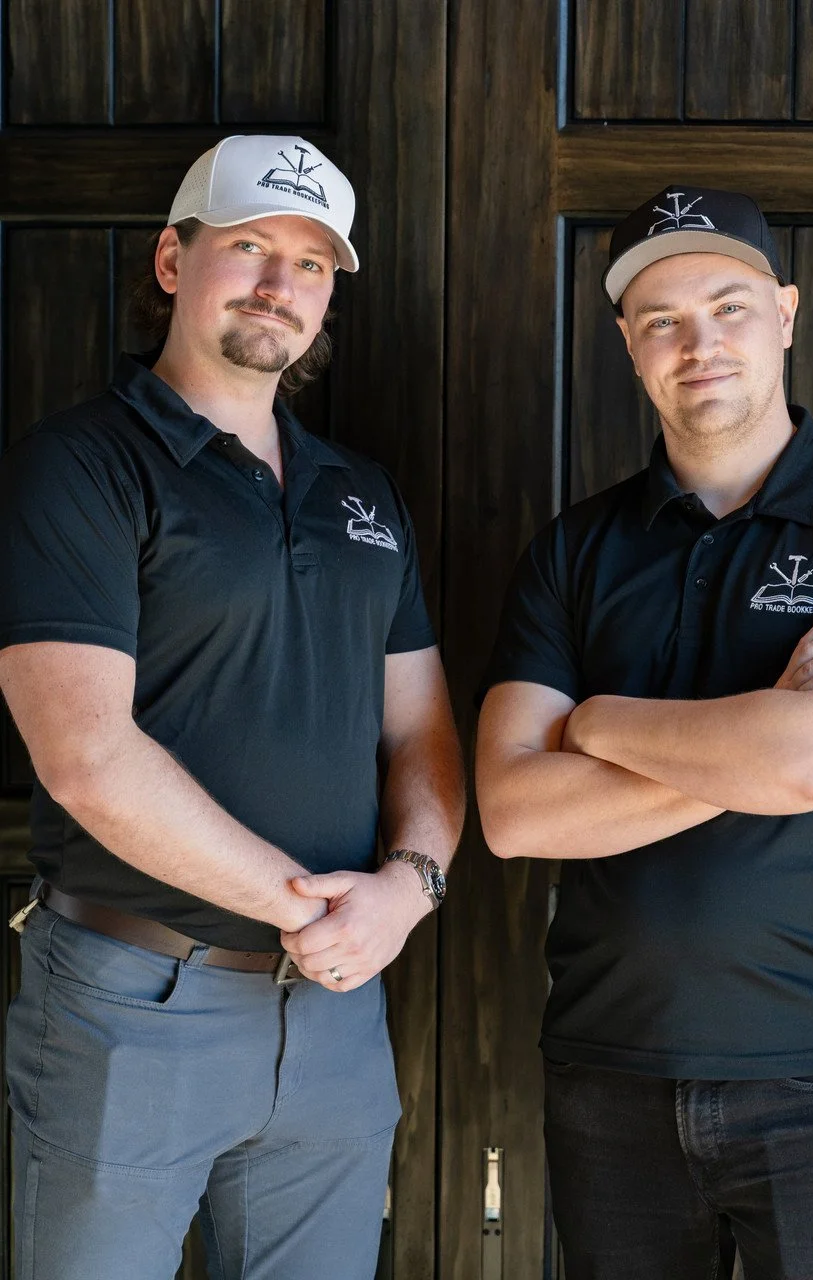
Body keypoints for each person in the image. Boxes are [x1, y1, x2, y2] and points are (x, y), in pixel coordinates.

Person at [0, 133, 464, 1280]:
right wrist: (318, 910)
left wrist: (408, 891)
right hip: (134, 998)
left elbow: (421, 733)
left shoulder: (361, 493)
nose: (279, 283)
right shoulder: (80, 466)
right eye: (249, 245)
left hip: (337, 1018)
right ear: (173, 259)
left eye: (310, 263)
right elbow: (87, 755)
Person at [476, 184, 813, 1279]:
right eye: (662, 320)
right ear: (627, 346)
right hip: (609, 1077)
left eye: (729, 306)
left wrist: (596, 722)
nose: (700, 344)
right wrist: (764, 731)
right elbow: (510, 810)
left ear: (786, 311)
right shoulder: (574, 550)